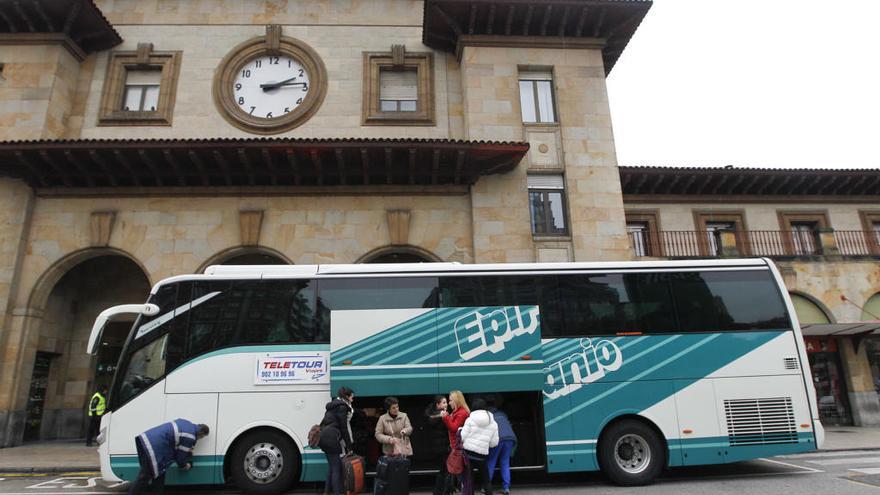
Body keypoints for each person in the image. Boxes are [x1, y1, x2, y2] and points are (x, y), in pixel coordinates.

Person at [127, 419, 209, 495]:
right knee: (145, 476)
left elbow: (174, 441)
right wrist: (185, 465)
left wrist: (187, 452)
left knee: (160, 472)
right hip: (154, 446)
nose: (200, 439)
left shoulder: (188, 425)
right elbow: (180, 459)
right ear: (201, 434)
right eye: (202, 438)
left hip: (149, 440)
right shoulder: (190, 436)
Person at [318, 386, 355, 495]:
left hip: (324, 438)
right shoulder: (342, 408)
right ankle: (337, 493)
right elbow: (343, 428)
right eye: (352, 397)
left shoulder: (333, 406)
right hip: (331, 439)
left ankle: (326, 491)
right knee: (336, 469)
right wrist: (349, 446)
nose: (353, 399)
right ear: (347, 397)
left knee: (332, 466)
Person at [461, 398, 499, 495]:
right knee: (486, 480)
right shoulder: (493, 422)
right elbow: (494, 443)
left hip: (468, 454)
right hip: (482, 456)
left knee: (469, 480)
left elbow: (462, 437)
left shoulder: (470, 419)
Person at [486, 397, 516, 495]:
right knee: (505, 462)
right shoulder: (502, 413)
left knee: (491, 461)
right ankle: (506, 487)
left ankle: (486, 487)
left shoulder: (488, 416)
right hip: (510, 438)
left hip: (498, 439)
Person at [425, 395, 450, 495]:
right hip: (442, 447)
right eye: (444, 402)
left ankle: (439, 491)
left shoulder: (434, 414)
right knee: (444, 470)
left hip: (439, 446)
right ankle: (441, 491)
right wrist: (443, 416)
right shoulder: (439, 414)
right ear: (438, 404)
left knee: (443, 469)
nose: (446, 404)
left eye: (446, 402)